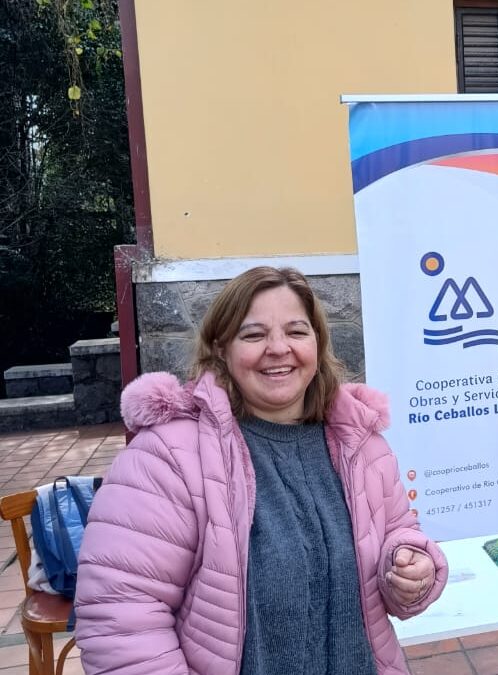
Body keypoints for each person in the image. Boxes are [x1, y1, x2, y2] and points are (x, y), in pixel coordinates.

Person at [74, 266, 449, 674]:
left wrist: (410, 566)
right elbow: (121, 616)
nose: (278, 348)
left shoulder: (362, 445)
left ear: (318, 344)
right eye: (253, 335)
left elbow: (398, 533)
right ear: (221, 348)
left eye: (296, 331)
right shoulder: (168, 456)